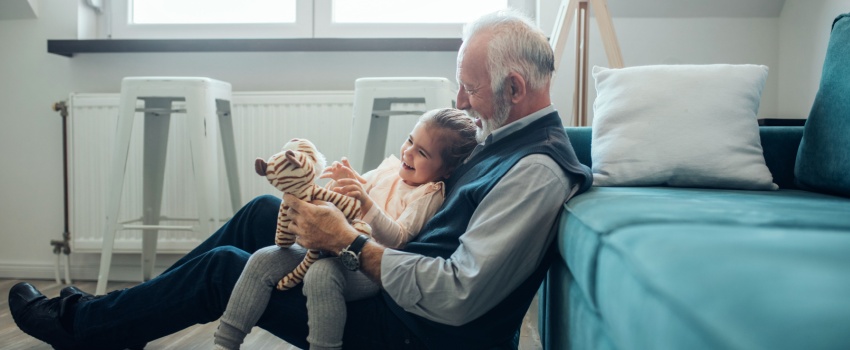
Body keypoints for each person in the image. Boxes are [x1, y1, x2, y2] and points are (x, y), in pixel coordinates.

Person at [8, 8, 593, 350]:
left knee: (226, 269)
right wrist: (346, 202)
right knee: (263, 216)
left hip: (411, 328)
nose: (458, 99)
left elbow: (457, 294)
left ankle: (86, 328)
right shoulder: (506, 136)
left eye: (467, 87)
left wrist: (348, 241)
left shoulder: (535, 173)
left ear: (514, 88)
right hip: (396, 288)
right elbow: (428, 207)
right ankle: (120, 316)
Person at [214, 108, 478, 350]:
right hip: (333, 246)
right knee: (262, 259)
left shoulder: (428, 194)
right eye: (410, 141)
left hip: (368, 267)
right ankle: (226, 342)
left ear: (447, 170)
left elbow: (398, 238)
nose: (408, 153)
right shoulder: (391, 169)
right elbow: (357, 194)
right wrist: (349, 181)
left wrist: (364, 200)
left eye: (422, 153)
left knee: (322, 275)